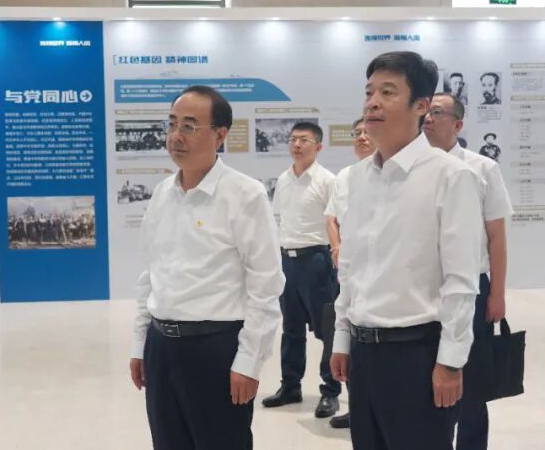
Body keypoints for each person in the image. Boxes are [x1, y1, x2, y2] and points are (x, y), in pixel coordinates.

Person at [330, 51, 483, 450]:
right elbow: (351, 267)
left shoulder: (451, 176)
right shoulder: (357, 178)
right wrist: (342, 338)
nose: (372, 103)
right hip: (363, 353)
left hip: (416, 354)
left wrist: (450, 361)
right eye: (369, 92)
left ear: (421, 106)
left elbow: (461, 279)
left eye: (387, 92)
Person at [129, 85, 285, 450]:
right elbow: (150, 274)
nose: (176, 136)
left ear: (220, 135)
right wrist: (140, 343)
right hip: (161, 347)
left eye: (189, 126)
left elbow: (265, 284)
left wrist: (249, 361)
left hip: (214, 349)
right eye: (171, 124)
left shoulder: (244, 194)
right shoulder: (162, 193)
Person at [423, 92, 513, 450]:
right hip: (425, 287)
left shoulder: (482, 168)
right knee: (430, 374)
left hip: (472, 287)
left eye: (438, 113)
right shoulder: (415, 167)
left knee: (471, 380)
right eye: (426, 112)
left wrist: (497, 294)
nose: (428, 119)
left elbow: (497, 236)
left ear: (458, 124)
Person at [262, 122, 342, 418]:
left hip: (317, 261)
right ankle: (290, 386)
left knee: (327, 330)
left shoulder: (328, 180)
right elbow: (279, 219)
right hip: (288, 262)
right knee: (291, 328)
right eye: (293, 139)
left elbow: (336, 221)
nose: (296, 145)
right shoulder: (283, 179)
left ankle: (330, 391)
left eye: (304, 140)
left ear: (318, 146)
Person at [323, 117, 376, 429]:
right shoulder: (345, 176)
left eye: (367, 132)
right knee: (345, 333)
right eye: (357, 133)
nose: (362, 137)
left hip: (377, 273)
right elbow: (332, 218)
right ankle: (357, 407)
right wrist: (337, 247)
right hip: (347, 268)